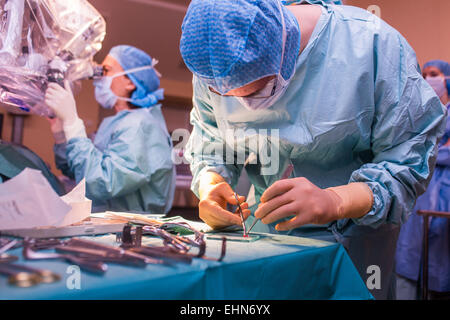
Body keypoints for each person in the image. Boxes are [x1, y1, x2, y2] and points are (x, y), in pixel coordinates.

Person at [179, 0, 447, 299]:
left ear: (284, 46)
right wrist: (211, 183)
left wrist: (336, 200)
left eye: (257, 90)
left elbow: (406, 163)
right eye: (226, 95)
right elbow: (212, 138)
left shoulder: (371, 45)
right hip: (264, 240)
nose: (245, 105)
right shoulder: (216, 61)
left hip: (354, 250)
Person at [45, 45, 176, 214]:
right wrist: (60, 132)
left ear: (130, 82)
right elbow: (80, 172)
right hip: (110, 227)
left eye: (105, 71)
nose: (99, 78)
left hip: (129, 232)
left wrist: (72, 122)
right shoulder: (120, 123)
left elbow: (102, 183)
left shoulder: (139, 126)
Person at [395, 60, 450, 300]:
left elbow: (420, 151)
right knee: (408, 266)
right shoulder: (420, 111)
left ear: (447, 78)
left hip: (443, 200)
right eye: (424, 74)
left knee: (438, 268)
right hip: (419, 197)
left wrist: (426, 151)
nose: (428, 79)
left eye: (434, 74)